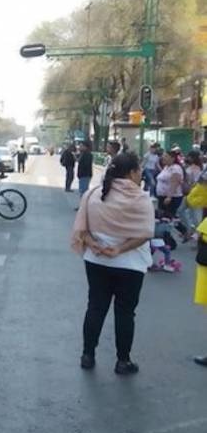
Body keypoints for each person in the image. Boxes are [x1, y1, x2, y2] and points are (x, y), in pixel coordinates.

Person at [71, 152, 153, 375]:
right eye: (139, 170)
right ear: (131, 172)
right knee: (125, 313)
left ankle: (87, 355)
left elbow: (82, 228)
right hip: (130, 264)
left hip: (96, 260)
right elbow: (145, 234)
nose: (140, 174)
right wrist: (119, 249)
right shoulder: (141, 198)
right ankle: (122, 361)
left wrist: (94, 244)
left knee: (96, 307)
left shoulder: (94, 194)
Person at [155, 151, 184, 217]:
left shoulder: (176, 168)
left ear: (172, 158)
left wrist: (169, 197)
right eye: (163, 156)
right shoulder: (166, 168)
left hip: (172, 198)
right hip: (162, 197)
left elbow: (175, 183)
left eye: (166, 156)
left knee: (169, 217)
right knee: (163, 217)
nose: (163, 158)